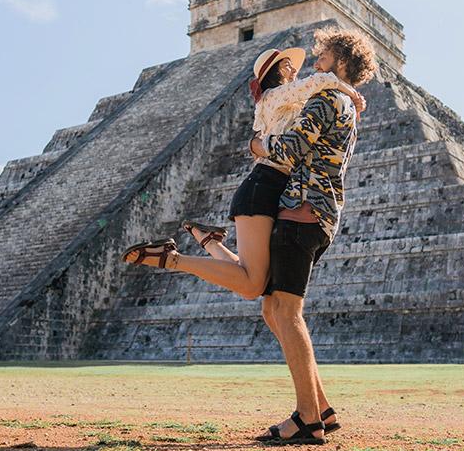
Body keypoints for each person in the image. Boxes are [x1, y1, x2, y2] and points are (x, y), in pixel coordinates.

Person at [123, 28, 378, 445]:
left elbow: (288, 150)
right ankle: (322, 409)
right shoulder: (338, 100)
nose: (315, 64)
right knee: (272, 310)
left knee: (285, 311)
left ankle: (307, 419)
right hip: (312, 211)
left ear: (343, 61)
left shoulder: (327, 98)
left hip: (300, 212)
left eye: (324, 56)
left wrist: (257, 145)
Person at [120, 42, 365, 302]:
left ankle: (208, 241)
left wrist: (346, 100)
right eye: (288, 64)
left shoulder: (293, 100)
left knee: (255, 282)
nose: (296, 68)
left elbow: (318, 102)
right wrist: (349, 91)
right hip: (264, 185)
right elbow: (319, 82)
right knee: (252, 285)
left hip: (282, 190)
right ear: (280, 69)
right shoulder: (274, 96)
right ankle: (170, 257)